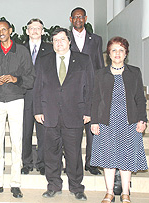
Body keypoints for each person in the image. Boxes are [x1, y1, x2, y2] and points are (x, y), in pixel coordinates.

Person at [34, 28, 93, 201]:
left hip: (74, 113)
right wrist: (38, 109)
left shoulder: (83, 60)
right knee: (51, 153)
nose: (58, 43)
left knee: (74, 153)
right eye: (55, 40)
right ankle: (53, 185)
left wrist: (88, 111)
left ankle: (76, 187)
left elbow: (90, 88)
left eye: (62, 39)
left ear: (69, 41)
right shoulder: (43, 61)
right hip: (49, 113)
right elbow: (37, 87)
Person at [0, 19, 35, 199]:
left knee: (16, 142)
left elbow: (30, 78)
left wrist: (15, 79)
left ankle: (15, 183)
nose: (1, 32)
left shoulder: (21, 51)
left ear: (10, 30)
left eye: (4, 29)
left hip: (15, 100)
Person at [90, 36, 148, 203]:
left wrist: (142, 120)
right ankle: (109, 192)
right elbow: (95, 99)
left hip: (129, 121)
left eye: (121, 50)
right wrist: (94, 121)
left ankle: (125, 193)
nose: (117, 53)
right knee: (108, 158)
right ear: (108, 54)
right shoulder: (100, 74)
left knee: (126, 158)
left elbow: (140, 98)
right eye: (114, 50)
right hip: (106, 122)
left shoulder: (134, 72)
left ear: (126, 54)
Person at [69, 7, 105, 175]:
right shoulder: (64, 38)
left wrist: (101, 85)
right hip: (71, 90)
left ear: (85, 18)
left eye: (81, 17)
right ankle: (72, 163)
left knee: (92, 128)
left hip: (91, 88)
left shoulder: (96, 39)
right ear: (70, 19)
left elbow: (99, 63)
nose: (78, 19)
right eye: (75, 17)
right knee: (72, 130)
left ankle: (91, 163)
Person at [22, 18, 53, 175]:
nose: (34, 31)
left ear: (42, 31)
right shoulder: (20, 49)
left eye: (38, 28)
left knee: (43, 133)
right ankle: (26, 163)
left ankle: (42, 163)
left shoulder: (50, 49)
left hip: (44, 98)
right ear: (27, 31)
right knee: (25, 132)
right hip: (25, 97)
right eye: (31, 28)